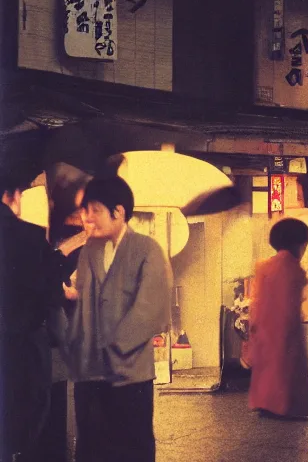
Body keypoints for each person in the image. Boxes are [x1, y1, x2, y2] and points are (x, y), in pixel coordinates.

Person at [61, 176, 172, 462]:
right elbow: (84, 299)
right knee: (91, 447)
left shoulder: (147, 249)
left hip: (130, 372)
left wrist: (114, 346)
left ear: (118, 212)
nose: (87, 217)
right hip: (89, 373)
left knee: (131, 446)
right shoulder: (89, 251)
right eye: (85, 210)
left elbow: (151, 308)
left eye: (94, 210)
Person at [0, 174, 75, 462]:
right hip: (24, 349)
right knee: (27, 423)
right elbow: (48, 288)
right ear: (14, 196)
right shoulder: (29, 236)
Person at [248, 218, 308, 419]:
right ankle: (285, 408)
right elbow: (289, 303)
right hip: (286, 328)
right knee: (286, 370)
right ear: (299, 244)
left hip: (264, 328)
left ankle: (266, 404)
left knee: (267, 370)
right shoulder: (293, 267)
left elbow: (257, 301)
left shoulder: (264, 266)